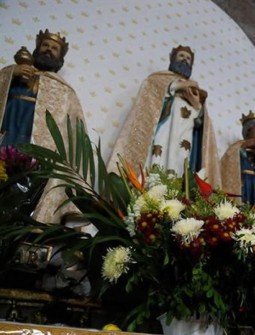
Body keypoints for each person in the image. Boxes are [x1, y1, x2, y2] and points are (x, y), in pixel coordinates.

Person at [0, 29, 86, 224]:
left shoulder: (64, 90)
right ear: (36, 48)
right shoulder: (13, 73)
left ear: (60, 59)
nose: (48, 50)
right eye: (45, 45)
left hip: (34, 152)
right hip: (6, 139)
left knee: (21, 199)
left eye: (54, 48)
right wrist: (12, 73)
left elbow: (73, 131)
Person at [107, 45, 221, 185]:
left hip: (185, 130)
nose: (185, 60)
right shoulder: (159, 79)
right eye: (181, 56)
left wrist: (198, 106)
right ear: (173, 59)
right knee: (158, 154)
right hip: (165, 127)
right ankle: (152, 187)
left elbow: (202, 126)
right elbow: (150, 101)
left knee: (182, 158)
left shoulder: (195, 88)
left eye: (188, 58)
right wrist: (178, 87)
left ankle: (178, 192)